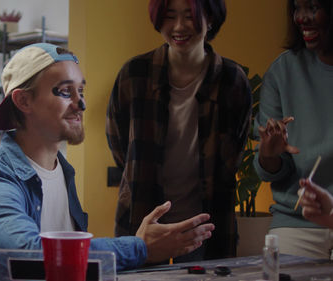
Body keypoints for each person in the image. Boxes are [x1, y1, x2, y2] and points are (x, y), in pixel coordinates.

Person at [0, 43, 215, 281]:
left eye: (80, 90)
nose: (81, 103)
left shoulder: (62, 170)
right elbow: (29, 253)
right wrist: (141, 247)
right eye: (64, 91)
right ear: (24, 101)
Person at [106, 0, 252, 262]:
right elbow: (119, 144)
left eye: (190, 16)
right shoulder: (134, 75)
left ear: (210, 19)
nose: (179, 26)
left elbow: (233, 155)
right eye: (170, 16)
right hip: (142, 217)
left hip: (207, 223)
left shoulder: (232, 79)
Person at [253, 0, 333, 259]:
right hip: (297, 222)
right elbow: (271, 171)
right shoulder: (282, 72)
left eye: (313, 6)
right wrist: (269, 154)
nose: (301, 18)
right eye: (297, 8)